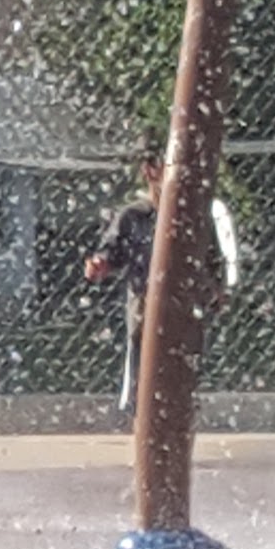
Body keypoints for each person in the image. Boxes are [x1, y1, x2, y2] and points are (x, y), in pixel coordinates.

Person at [84, 140, 227, 416]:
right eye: (169, 167)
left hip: (186, 298)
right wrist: (100, 264)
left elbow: (210, 256)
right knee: (143, 346)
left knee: (185, 352)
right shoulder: (135, 215)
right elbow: (112, 251)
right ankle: (139, 405)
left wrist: (215, 288)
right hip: (145, 297)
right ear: (149, 172)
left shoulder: (194, 215)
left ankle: (181, 403)